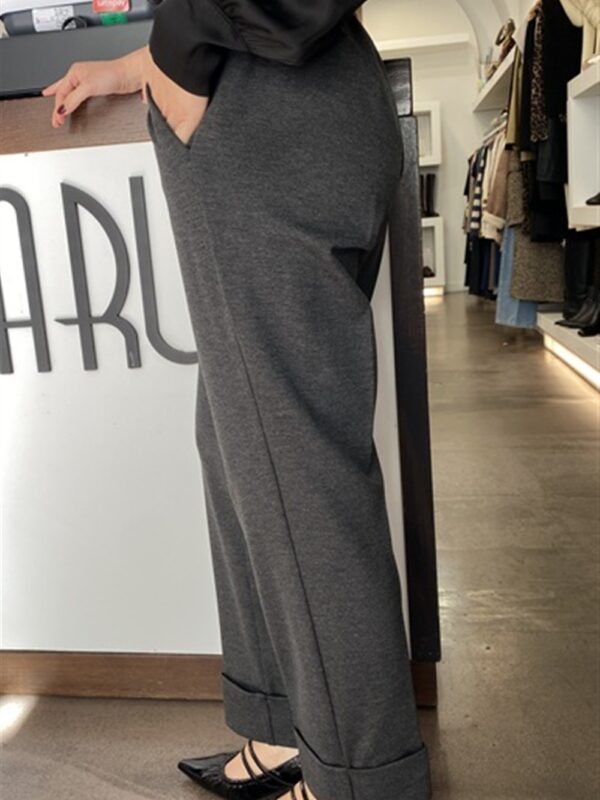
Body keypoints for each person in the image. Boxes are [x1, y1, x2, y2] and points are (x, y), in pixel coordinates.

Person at [42, 2, 433, 799]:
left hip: (262, 113)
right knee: (240, 445)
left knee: (292, 473)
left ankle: (360, 779)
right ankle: (283, 725)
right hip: (299, 95)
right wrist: (150, 63)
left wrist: (180, 47)